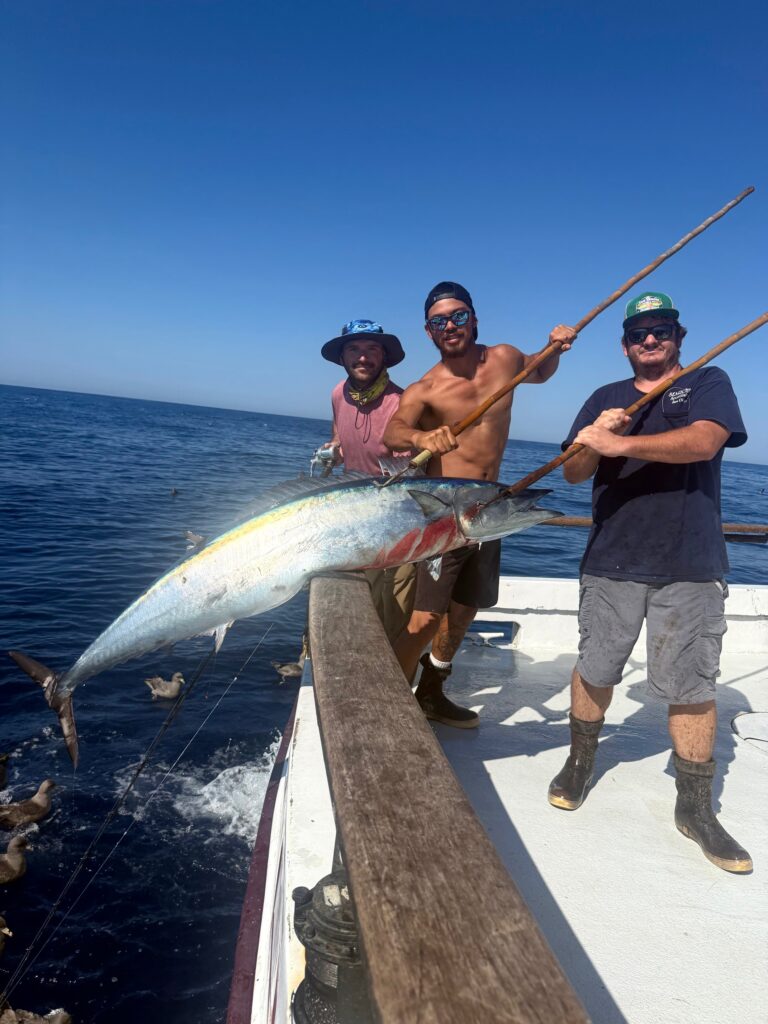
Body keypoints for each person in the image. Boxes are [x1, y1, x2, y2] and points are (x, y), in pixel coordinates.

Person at [548, 290, 752, 873]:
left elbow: (705, 441)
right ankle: (580, 763)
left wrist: (621, 443)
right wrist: (592, 437)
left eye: (661, 330)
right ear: (625, 345)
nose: (651, 339)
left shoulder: (707, 381)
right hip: (611, 559)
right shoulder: (604, 397)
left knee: (690, 683)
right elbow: (573, 472)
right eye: (639, 333)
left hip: (690, 563)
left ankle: (695, 807)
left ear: (678, 338)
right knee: (596, 666)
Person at [383, 282, 575, 727]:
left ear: (474, 320)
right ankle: (389, 704)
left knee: (465, 611)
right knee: (425, 619)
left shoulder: (504, 359)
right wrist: (421, 437)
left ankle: (432, 691)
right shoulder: (426, 389)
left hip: (490, 512)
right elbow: (393, 432)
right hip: (444, 517)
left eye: (458, 316)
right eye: (439, 321)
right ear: (428, 332)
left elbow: (540, 371)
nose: (450, 326)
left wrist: (556, 346)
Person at [320, 318, 416, 642]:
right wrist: (334, 450)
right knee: (360, 592)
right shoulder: (338, 393)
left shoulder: (403, 403)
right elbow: (339, 437)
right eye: (354, 349)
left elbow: (410, 472)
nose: (363, 357)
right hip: (353, 512)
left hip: (401, 515)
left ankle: (395, 661)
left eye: (372, 349)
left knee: (397, 599)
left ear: (384, 356)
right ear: (342, 357)